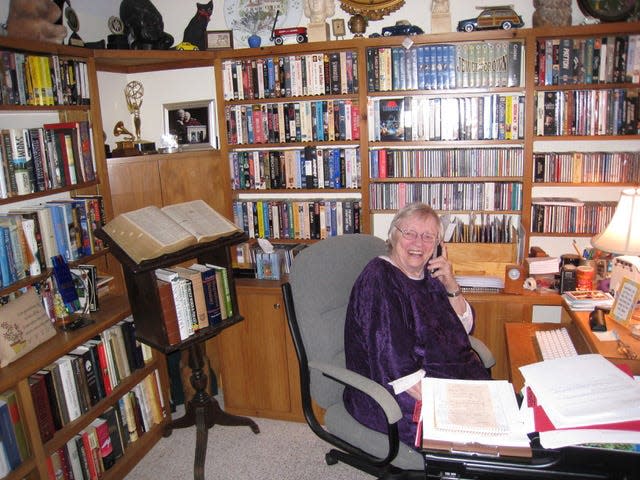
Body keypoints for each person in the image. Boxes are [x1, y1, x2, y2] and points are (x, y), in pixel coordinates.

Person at [343, 202, 490, 447]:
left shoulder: (430, 276)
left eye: (427, 236)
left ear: (437, 245)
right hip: (393, 390)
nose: (418, 243)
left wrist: (451, 286)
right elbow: (392, 359)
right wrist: (449, 402)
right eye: (409, 233)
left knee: (503, 422)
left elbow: (463, 329)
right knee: (470, 439)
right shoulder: (380, 277)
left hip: (445, 376)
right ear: (393, 235)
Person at [3, 0, 67, 43]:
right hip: (19, 32)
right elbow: (29, 9)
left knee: (62, 31)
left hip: (36, 33)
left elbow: (55, 13)